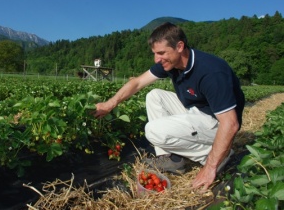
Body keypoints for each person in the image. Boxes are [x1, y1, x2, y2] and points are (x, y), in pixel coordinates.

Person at [93, 22, 245, 191]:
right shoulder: (171, 63)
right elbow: (137, 83)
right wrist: (109, 104)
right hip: (197, 112)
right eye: (154, 53)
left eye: (161, 53)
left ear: (179, 46)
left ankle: (217, 156)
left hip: (217, 122)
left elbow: (230, 124)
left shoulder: (211, 72)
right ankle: (170, 159)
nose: (156, 59)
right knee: (154, 96)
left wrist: (210, 168)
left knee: (153, 130)